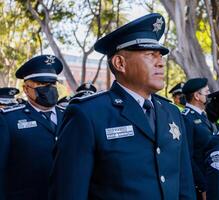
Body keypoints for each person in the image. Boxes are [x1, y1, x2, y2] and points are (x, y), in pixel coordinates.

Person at [49, 13, 196, 200]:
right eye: (151, 55)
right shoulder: (88, 114)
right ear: (120, 63)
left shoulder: (171, 113)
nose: (160, 63)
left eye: (160, 56)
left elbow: (184, 186)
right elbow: (69, 192)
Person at [0, 55, 65, 200]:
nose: (49, 88)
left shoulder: (70, 116)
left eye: (53, 83)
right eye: (42, 83)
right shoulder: (8, 119)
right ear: (26, 89)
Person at [181, 77, 214, 200]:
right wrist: (202, 185)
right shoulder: (186, 118)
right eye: (206, 92)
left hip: (211, 177)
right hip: (200, 185)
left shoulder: (204, 115)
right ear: (197, 96)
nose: (209, 95)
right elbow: (187, 156)